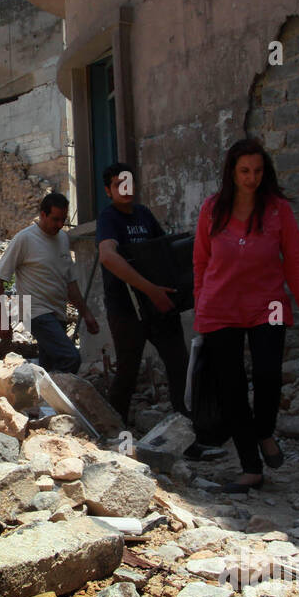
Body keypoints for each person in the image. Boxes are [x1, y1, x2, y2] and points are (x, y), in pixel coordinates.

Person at [194, 137, 299, 494]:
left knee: (268, 375)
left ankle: (264, 429)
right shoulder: (212, 209)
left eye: (257, 171)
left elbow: (296, 259)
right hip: (221, 306)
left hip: (269, 304)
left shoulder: (277, 210)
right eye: (244, 171)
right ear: (232, 173)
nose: (251, 178)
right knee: (232, 387)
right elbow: (201, 263)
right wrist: (200, 304)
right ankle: (250, 467)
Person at [95, 162, 194, 428]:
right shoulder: (109, 218)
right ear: (108, 190)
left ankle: (188, 428)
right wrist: (150, 289)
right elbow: (107, 256)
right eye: (118, 184)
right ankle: (113, 432)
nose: (125, 188)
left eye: (129, 182)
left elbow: (165, 252)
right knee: (128, 371)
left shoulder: (144, 215)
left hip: (160, 305)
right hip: (126, 308)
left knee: (180, 365)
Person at [0, 192, 98, 373]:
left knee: (49, 367)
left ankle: (45, 400)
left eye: (63, 219)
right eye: (55, 219)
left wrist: (85, 313)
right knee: (70, 358)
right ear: (43, 214)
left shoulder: (63, 238)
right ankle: (64, 398)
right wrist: (2, 320)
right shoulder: (25, 239)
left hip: (58, 314)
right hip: (36, 313)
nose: (59, 224)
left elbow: (70, 282)